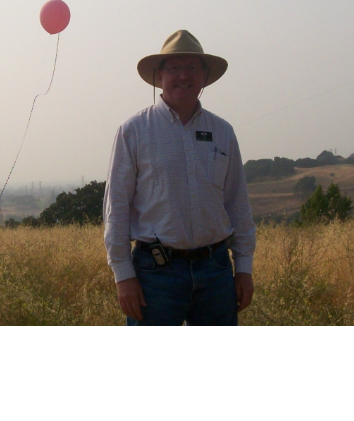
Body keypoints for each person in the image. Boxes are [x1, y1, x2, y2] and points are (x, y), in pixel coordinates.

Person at [102, 30, 256, 325]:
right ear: (159, 76)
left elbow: (238, 204)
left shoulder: (223, 132)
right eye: (174, 68)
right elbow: (116, 208)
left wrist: (244, 268)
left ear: (204, 76)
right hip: (154, 275)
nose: (183, 76)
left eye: (192, 68)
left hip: (217, 271)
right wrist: (123, 276)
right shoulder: (133, 130)